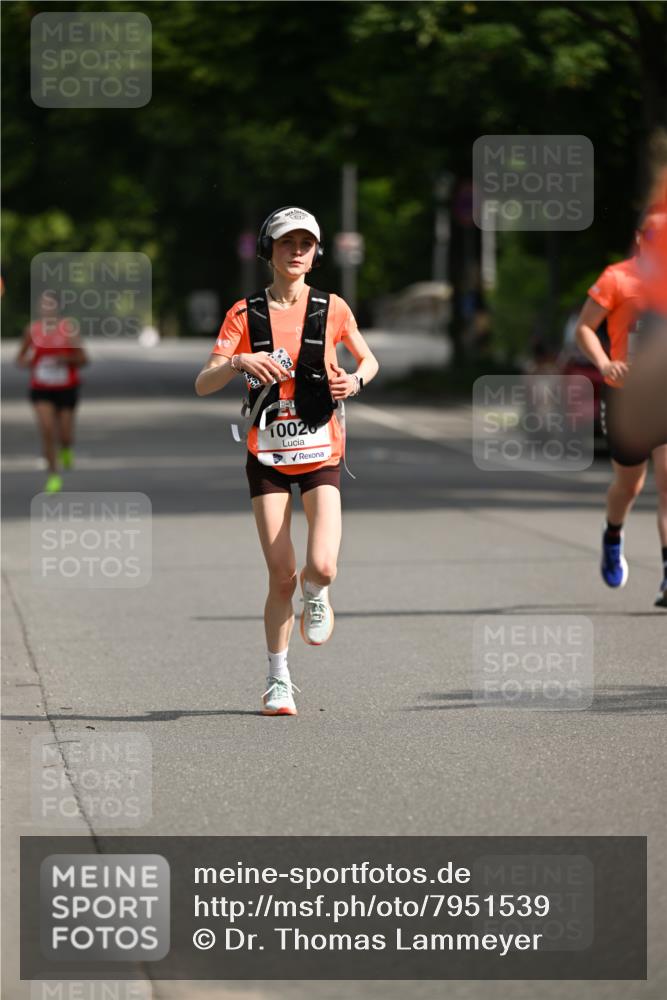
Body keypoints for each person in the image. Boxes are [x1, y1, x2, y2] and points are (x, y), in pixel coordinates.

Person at [195, 207, 379, 714]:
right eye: (286, 243)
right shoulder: (245, 314)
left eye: (306, 244)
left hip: (321, 451)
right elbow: (203, 382)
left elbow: (368, 359)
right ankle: (278, 679)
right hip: (268, 457)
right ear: (268, 251)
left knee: (321, 565)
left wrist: (355, 381)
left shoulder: (332, 307)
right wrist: (235, 363)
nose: (296, 251)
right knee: (280, 576)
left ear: (316, 254)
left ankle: (316, 594)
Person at [575, 213, 667, 607]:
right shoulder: (617, 277)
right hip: (626, 396)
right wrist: (604, 363)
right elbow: (584, 328)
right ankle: (613, 533)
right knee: (629, 486)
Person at [15, 291, 88, 493]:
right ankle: (53, 476)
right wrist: (29, 362)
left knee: (65, 434)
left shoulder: (68, 330)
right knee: (47, 430)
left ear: (57, 307)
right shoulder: (32, 330)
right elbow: (19, 359)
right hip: (41, 388)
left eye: (50, 305)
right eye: (43, 305)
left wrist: (66, 360)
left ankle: (66, 448)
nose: (47, 309)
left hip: (66, 388)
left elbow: (84, 359)